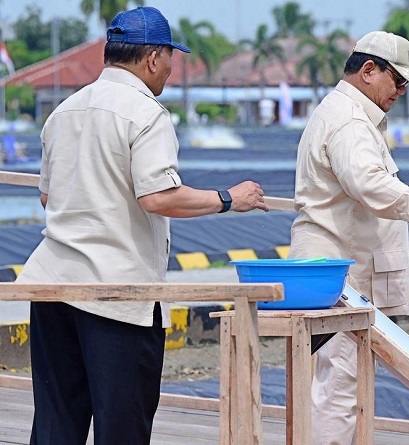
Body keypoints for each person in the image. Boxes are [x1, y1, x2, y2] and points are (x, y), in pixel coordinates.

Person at [15, 7, 269, 444]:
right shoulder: (146, 114)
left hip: (53, 287)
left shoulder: (64, 111)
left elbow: (46, 195)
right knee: (123, 427)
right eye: (171, 58)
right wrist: (230, 199)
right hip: (117, 295)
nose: (171, 69)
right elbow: (158, 196)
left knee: (57, 424)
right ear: (153, 58)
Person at [288, 31, 409, 444]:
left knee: (344, 386)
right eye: (398, 80)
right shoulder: (350, 122)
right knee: (340, 388)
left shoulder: (348, 115)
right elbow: (372, 187)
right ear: (369, 70)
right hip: (339, 272)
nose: (401, 90)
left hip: (342, 271)